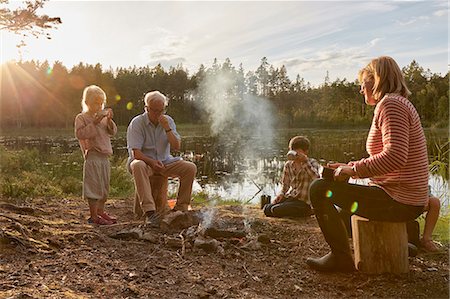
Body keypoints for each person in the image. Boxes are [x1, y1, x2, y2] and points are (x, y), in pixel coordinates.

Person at [306, 56, 429, 272]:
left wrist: (353, 171)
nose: (361, 89)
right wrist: (349, 167)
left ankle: (341, 259)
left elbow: (395, 156)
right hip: (402, 197)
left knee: (319, 189)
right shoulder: (396, 103)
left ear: (376, 79)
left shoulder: (391, 104)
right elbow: (388, 156)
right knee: (345, 218)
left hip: (399, 200)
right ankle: (406, 242)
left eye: (363, 82)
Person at [126, 91, 197, 227]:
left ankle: (180, 208)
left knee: (190, 167)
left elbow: (176, 147)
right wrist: (152, 162)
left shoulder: (168, 121)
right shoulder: (137, 123)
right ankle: (150, 212)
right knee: (137, 165)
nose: (158, 114)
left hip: (165, 162)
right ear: (146, 108)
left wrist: (167, 129)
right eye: (155, 110)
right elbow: (136, 153)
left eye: (161, 110)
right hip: (145, 162)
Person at [75, 85, 118, 225]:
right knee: (93, 187)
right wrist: (94, 122)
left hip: (104, 157)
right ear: (87, 103)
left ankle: (100, 211)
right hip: (93, 156)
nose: (99, 106)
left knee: (104, 187)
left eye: (101, 103)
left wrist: (109, 120)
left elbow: (113, 132)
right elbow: (80, 134)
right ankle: (93, 216)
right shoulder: (81, 118)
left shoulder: (104, 118)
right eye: (95, 103)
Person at [263, 136, 319, 218]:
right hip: (292, 198)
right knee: (267, 209)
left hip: (304, 202)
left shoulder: (311, 163)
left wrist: (305, 162)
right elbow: (285, 186)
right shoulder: (288, 165)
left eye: (298, 153)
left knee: (276, 210)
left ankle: (307, 212)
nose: (295, 156)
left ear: (305, 152)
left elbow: (316, 179)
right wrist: (281, 195)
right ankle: (289, 211)